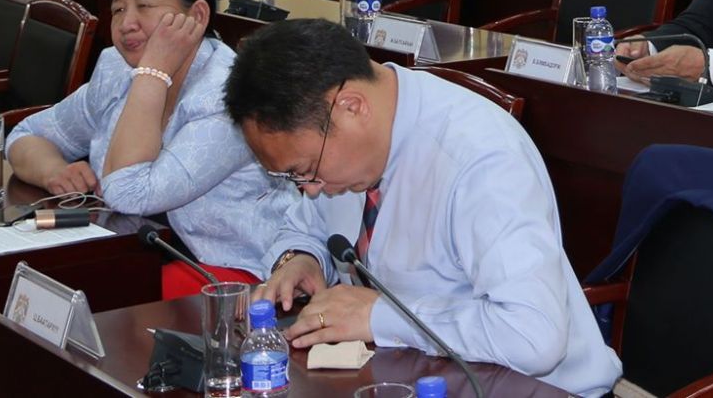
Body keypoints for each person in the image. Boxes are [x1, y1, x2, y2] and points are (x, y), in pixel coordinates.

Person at [227, 20, 622, 393]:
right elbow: (305, 227)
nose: (311, 191)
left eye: (306, 171)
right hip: (409, 374)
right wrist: (300, 258)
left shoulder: (481, 159)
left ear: (352, 106)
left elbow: (533, 337)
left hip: (533, 388)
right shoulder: (349, 148)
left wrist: (380, 316)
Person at [8, 0, 291, 295]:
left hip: (227, 270)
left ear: (197, 15)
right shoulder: (115, 68)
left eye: (144, 6)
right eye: (118, 9)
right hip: (133, 248)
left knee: (89, 293)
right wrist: (53, 170)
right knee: (24, 277)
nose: (127, 23)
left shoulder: (227, 94)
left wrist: (154, 72)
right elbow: (26, 135)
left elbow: (130, 195)